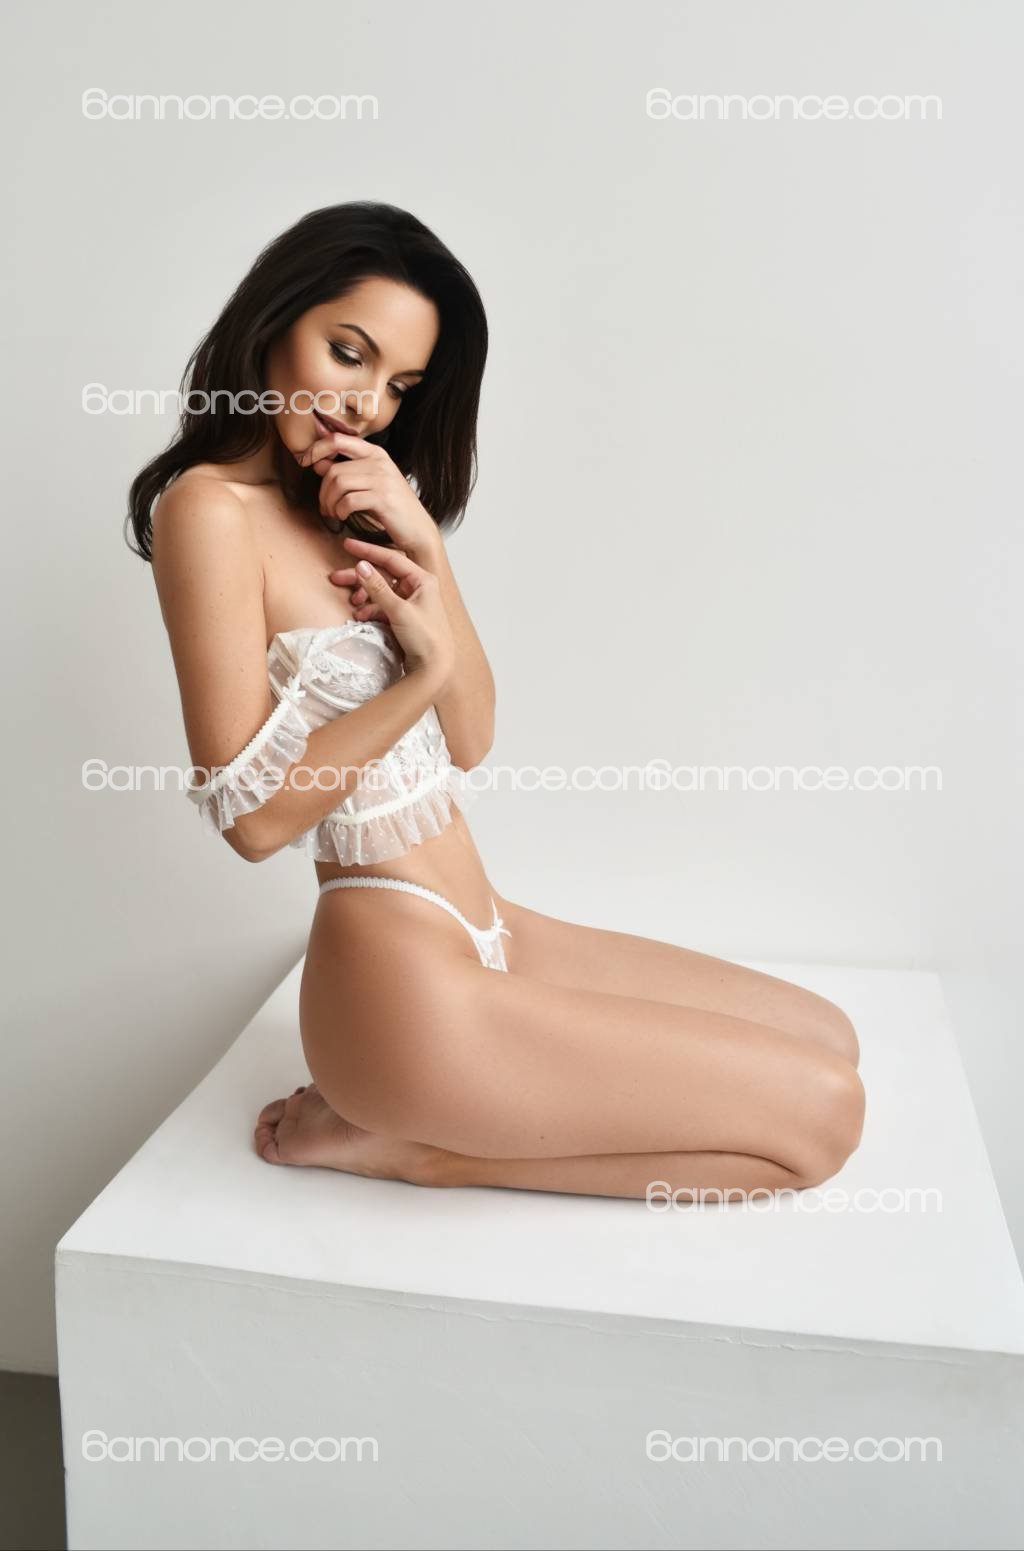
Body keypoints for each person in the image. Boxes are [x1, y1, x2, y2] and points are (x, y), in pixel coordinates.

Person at [129, 201, 864, 1205]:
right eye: (348, 352)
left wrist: (422, 543)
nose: (366, 405)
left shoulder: (351, 509)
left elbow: (470, 738)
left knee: (831, 1037)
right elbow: (250, 820)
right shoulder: (208, 509)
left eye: (400, 386)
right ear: (272, 323)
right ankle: (421, 1150)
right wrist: (418, 677)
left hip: (490, 927)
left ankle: (420, 1126)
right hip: (394, 979)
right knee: (824, 1120)